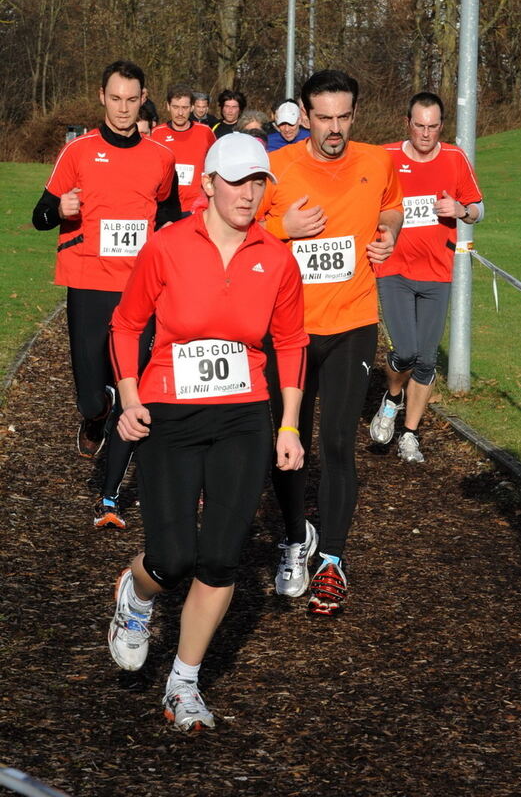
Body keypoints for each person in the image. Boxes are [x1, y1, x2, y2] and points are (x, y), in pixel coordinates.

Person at [108, 132, 308, 731]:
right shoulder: (167, 246)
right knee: (172, 559)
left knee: (220, 558)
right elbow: (125, 325)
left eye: (258, 183)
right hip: (171, 410)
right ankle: (136, 594)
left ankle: (183, 683)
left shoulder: (275, 257)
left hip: (244, 413)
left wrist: (290, 425)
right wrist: (129, 398)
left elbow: (291, 342)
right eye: (239, 181)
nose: (249, 194)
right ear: (210, 184)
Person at [260, 69, 403, 616]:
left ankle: (333, 562)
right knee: (287, 441)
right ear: (303, 114)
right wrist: (282, 231)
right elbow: (235, 228)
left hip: (352, 323)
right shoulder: (275, 168)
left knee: (339, 444)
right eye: (324, 117)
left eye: (344, 116)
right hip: (289, 330)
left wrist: (388, 234)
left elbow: (391, 205)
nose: (335, 128)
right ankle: (296, 539)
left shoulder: (376, 161)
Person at [31, 59, 181, 529]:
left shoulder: (160, 157)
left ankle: (110, 495)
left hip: (140, 290)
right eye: (114, 98)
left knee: (130, 392)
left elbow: (170, 215)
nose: (122, 108)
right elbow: (39, 216)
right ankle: (93, 417)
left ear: (142, 99)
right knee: (93, 399)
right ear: (102, 96)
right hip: (88, 285)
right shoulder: (78, 152)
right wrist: (61, 207)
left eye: (131, 99)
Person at [370, 92, 483, 462]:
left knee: (427, 359)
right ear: (407, 123)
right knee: (405, 351)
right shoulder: (385, 157)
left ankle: (410, 434)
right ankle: (392, 397)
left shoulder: (454, 158)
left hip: (437, 272)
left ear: (441, 127)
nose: (425, 133)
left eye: (433, 127)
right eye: (419, 126)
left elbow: (479, 209)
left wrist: (461, 209)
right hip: (395, 269)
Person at [151, 84, 215, 215]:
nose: (180, 113)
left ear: (192, 107)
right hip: (166, 207)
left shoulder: (205, 132)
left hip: (197, 207)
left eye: (185, 108)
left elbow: (217, 164)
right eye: (175, 107)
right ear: (168, 106)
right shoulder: (156, 134)